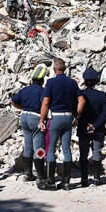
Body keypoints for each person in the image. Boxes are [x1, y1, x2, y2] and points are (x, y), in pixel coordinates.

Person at [38, 59, 85, 191]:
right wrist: (76, 115)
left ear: (54, 69)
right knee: (66, 149)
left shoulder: (51, 82)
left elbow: (46, 102)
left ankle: (51, 181)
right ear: (65, 69)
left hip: (56, 116)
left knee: (51, 148)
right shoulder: (72, 83)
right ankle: (66, 182)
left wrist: (42, 120)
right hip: (68, 116)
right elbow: (81, 100)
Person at [11, 65, 47, 183]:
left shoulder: (24, 90)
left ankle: (28, 173)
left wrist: (23, 108)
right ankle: (41, 176)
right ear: (42, 80)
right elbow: (44, 105)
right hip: (36, 118)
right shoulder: (42, 91)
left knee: (28, 145)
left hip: (24, 117)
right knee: (39, 147)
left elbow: (13, 101)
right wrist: (42, 119)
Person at [77, 68, 106, 186]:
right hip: (98, 128)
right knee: (97, 152)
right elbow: (105, 113)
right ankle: (97, 178)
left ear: (85, 81)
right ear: (96, 81)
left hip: (83, 128)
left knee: (83, 153)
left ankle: (84, 179)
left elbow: (76, 112)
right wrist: (95, 126)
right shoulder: (102, 96)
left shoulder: (80, 95)